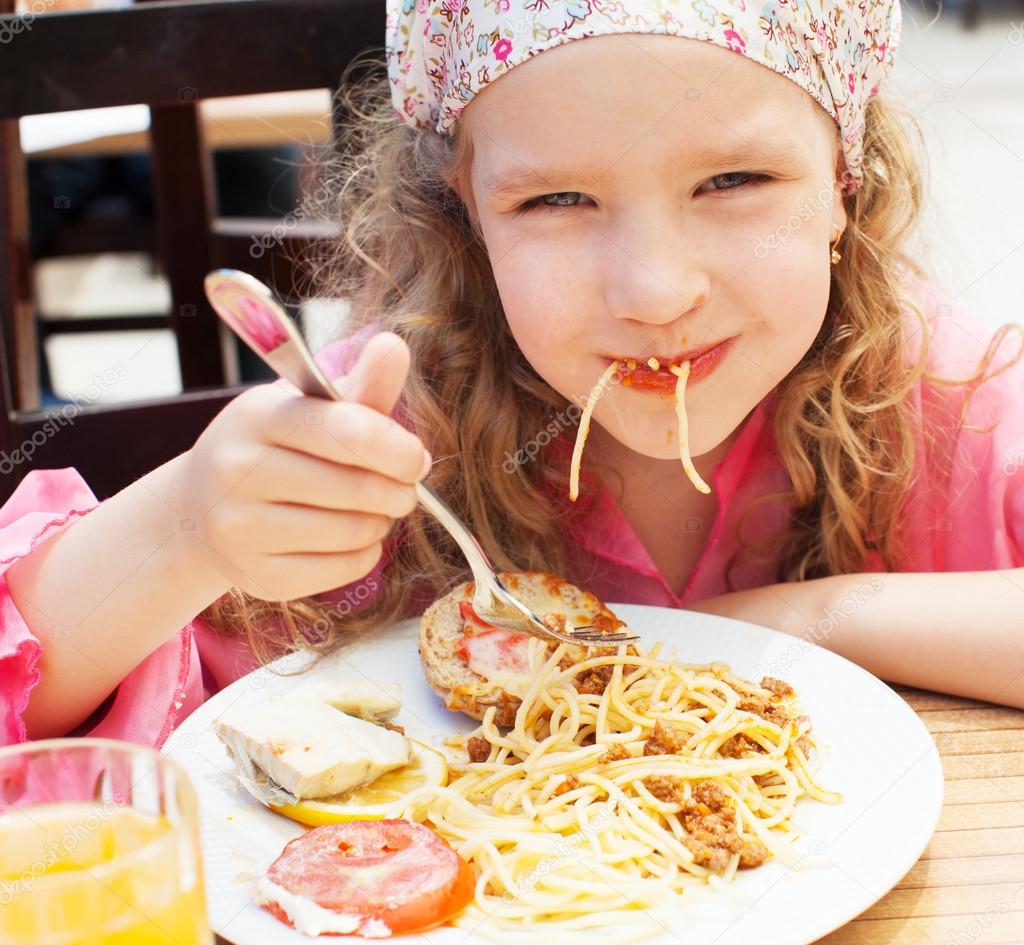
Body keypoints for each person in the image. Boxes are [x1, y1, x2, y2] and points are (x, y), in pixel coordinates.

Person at [3, 0, 1022, 748]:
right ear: (463, 213)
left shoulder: (942, 391)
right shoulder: (377, 425)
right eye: (558, 201)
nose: (656, 291)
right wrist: (184, 527)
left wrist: (810, 620)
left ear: (845, 182)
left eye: (734, 181)